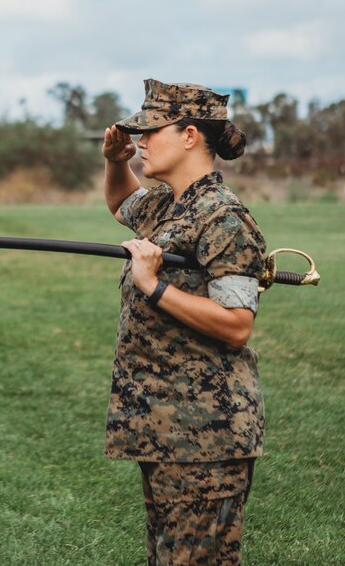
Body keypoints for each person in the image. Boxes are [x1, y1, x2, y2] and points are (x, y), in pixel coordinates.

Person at [101, 79, 266, 565]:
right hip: (166, 428)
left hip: (206, 434)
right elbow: (119, 205)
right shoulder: (165, 203)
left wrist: (154, 286)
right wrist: (116, 162)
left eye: (153, 131)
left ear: (190, 135)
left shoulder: (224, 217)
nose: (143, 142)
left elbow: (237, 324)